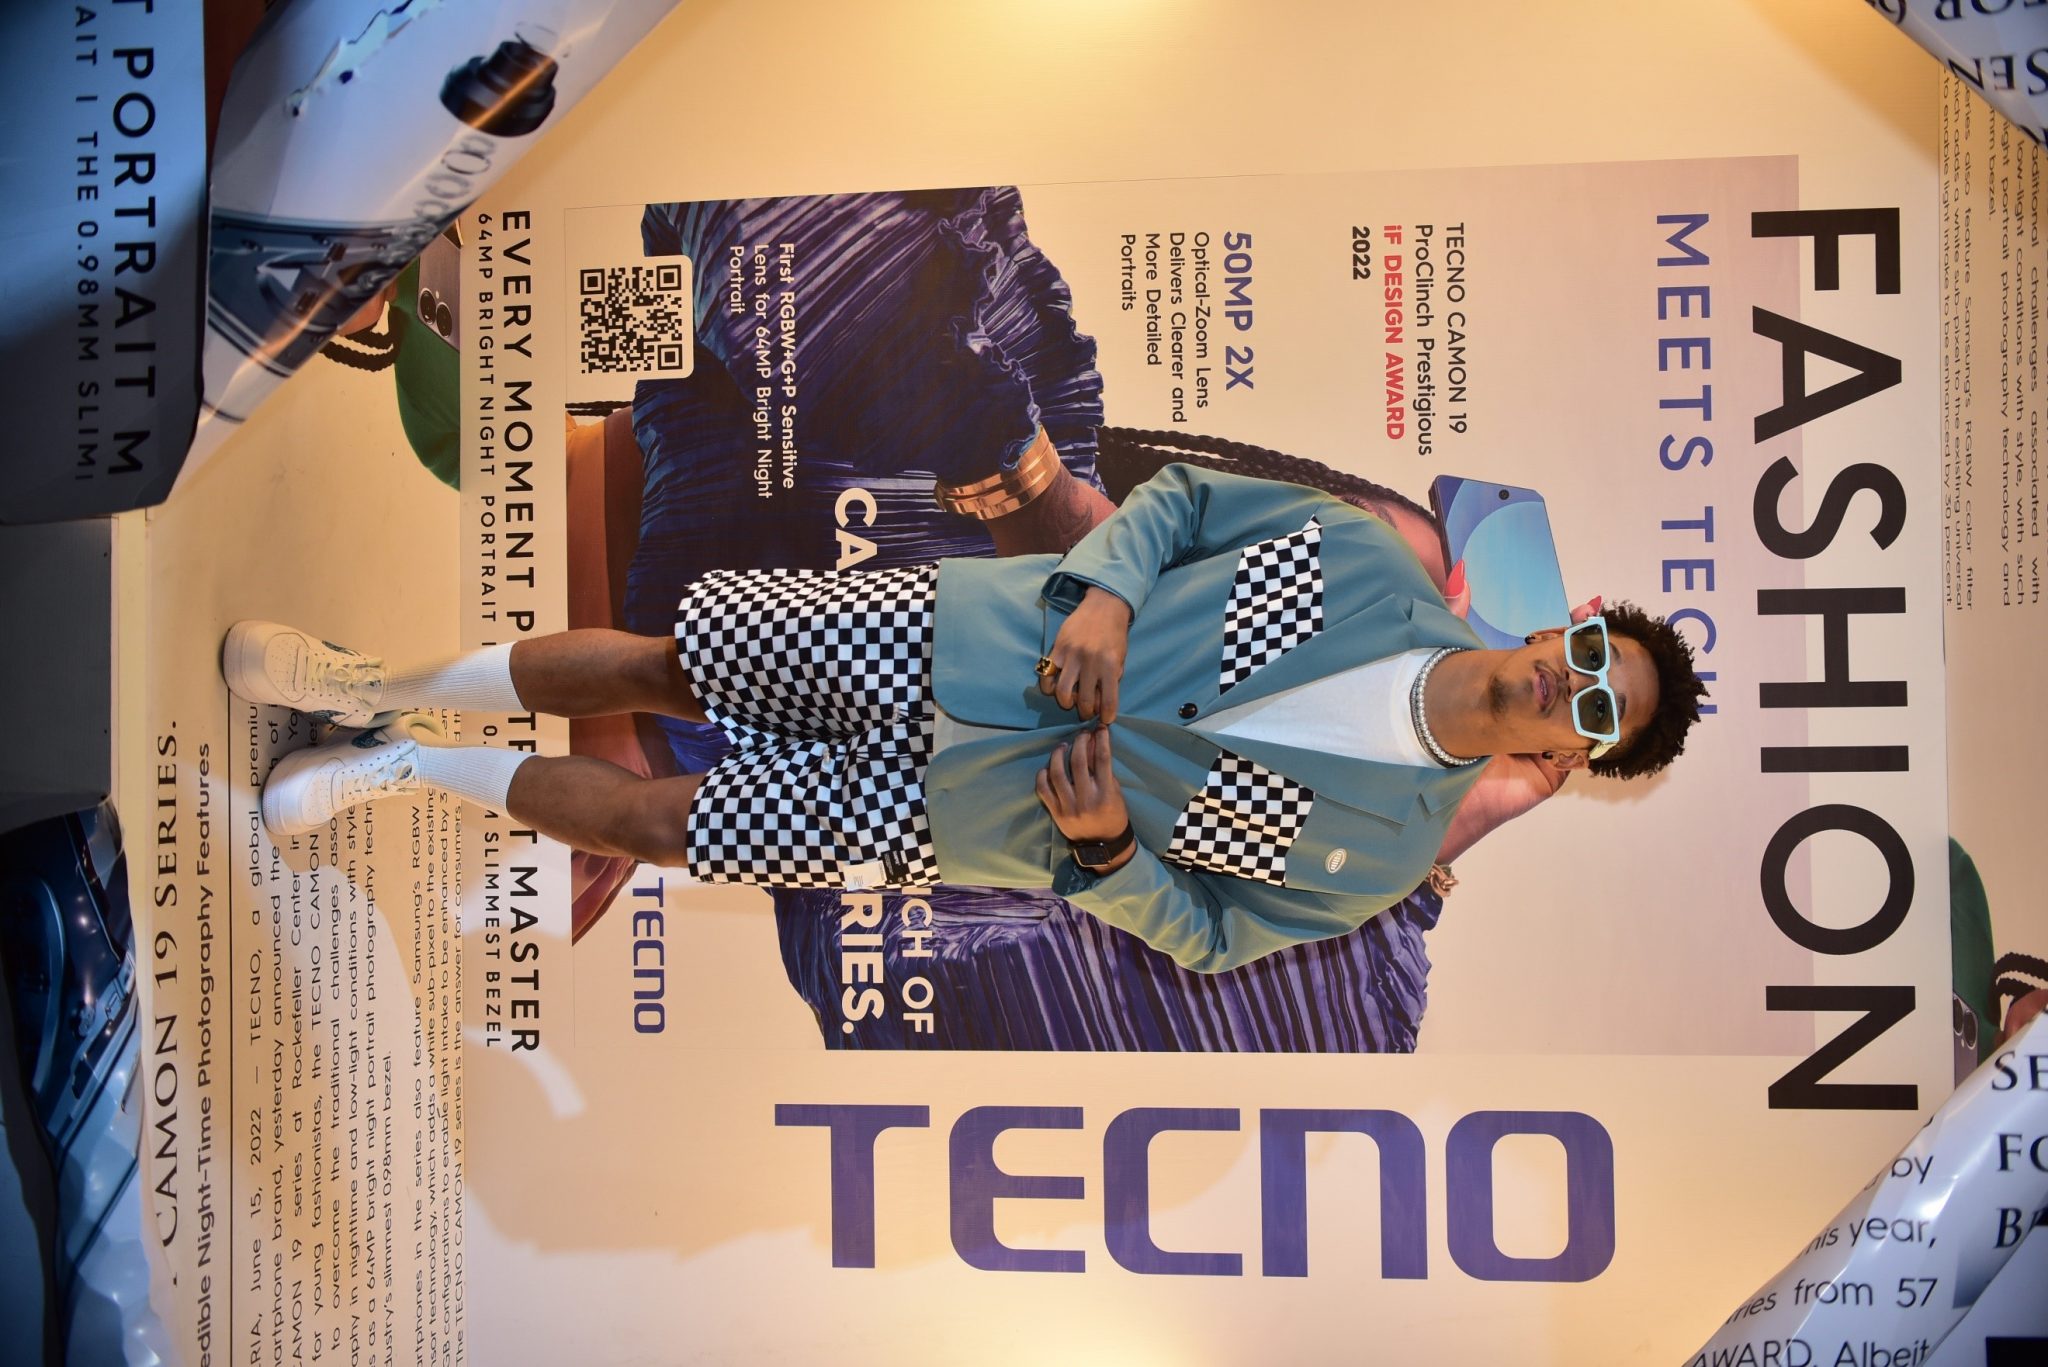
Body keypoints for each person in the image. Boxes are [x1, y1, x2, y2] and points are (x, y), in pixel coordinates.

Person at [225, 463, 1707, 973]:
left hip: (965, 817)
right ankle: (370, 684)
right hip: (956, 638)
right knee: (667, 670)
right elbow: (1186, 505)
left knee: (663, 825)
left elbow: (1207, 934)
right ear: (1559, 627)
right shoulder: (1372, 561)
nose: (1564, 685)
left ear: (1566, 758)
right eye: (1587, 656)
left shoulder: (1380, 857)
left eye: (1592, 712)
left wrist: (1111, 852)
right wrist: (1108, 592)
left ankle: (402, 769)